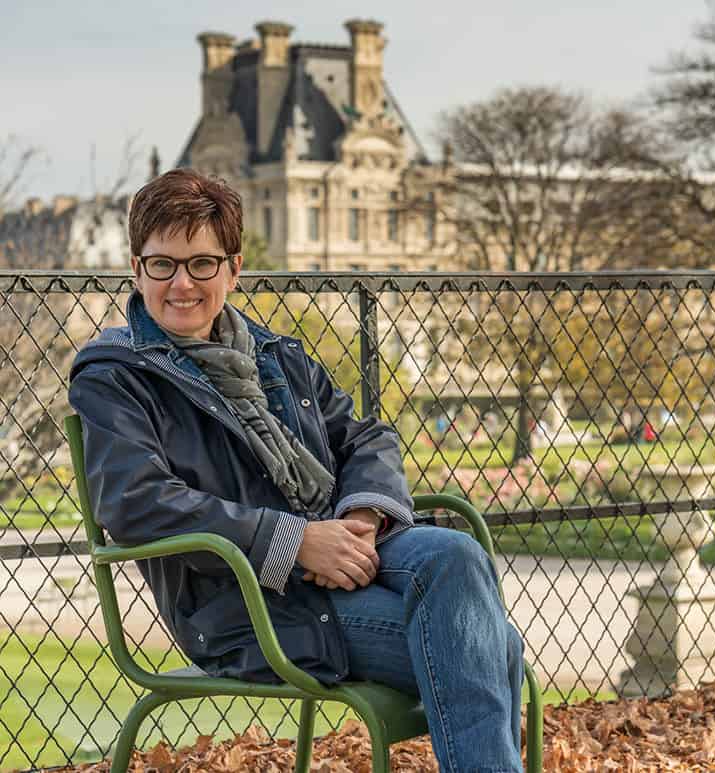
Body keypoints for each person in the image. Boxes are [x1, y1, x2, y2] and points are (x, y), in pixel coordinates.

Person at [67, 169, 526, 772]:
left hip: (341, 551)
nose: (181, 283)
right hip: (245, 604)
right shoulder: (114, 375)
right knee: (492, 646)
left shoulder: (275, 355)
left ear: (233, 269)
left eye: (201, 263)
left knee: (456, 555)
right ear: (137, 269)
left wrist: (359, 519)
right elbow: (135, 502)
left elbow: (364, 436)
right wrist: (297, 542)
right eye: (162, 265)